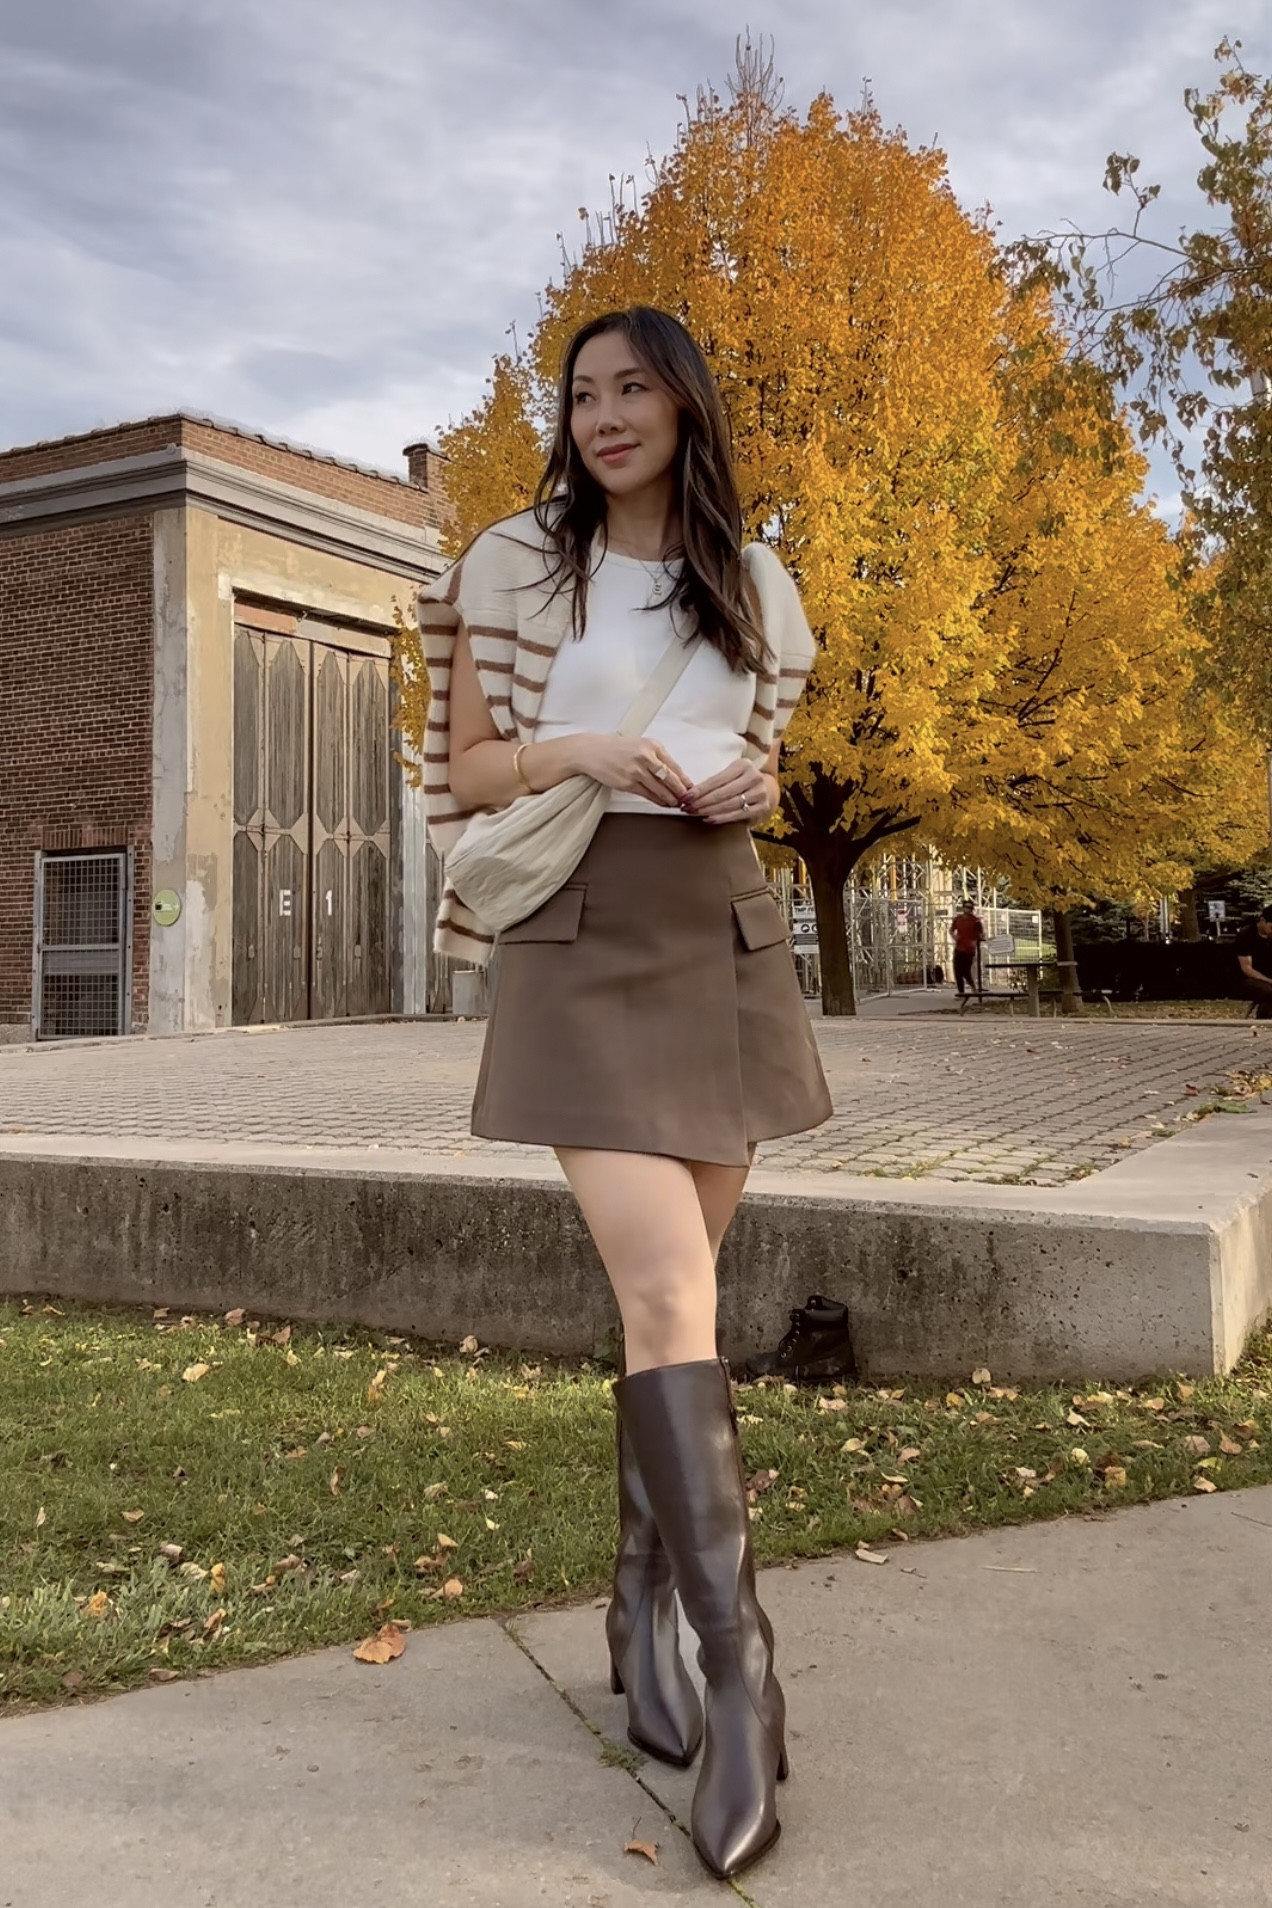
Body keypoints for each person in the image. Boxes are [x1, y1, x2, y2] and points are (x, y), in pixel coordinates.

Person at [416, 306, 832, 1881]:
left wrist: (751, 785)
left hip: (717, 926)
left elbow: (769, 761)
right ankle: (743, 1678)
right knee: (666, 1290)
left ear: (682, 404)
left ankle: (638, 1610)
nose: (602, 414)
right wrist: (583, 748)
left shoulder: (756, 576)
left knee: (688, 1298)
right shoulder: (512, 563)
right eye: (580, 393)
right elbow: (464, 770)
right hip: (580, 936)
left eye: (631, 387)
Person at [1235, 905, 1272, 1017]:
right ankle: (1264, 1020)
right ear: (1263, 920)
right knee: (1270, 992)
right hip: (1248, 980)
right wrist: (1269, 980)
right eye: (1271, 928)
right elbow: (1247, 968)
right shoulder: (1247, 935)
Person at [949, 898, 984, 998]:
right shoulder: (958, 919)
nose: (968, 909)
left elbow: (981, 934)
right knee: (957, 970)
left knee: (965, 970)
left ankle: (973, 987)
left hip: (969, 950)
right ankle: (961, 992)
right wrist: (954, 936)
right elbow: (951, 930)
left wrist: (976, 940)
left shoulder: (975, 921)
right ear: (963, 908)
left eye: (970, 907)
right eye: (967, 907)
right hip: (959, 948)